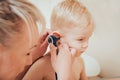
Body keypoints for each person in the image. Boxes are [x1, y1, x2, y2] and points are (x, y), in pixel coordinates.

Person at [0, 0, 76, 80]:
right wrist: (64, 77)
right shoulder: (42, 66)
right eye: (27, 53)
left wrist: (35, 55)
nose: (30, 61)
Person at [23, 0, 94, 80]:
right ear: (57, 37)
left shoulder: (79, 62)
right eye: (80, 39)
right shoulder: (42, 65)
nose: (86, 45)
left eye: (89, 38)